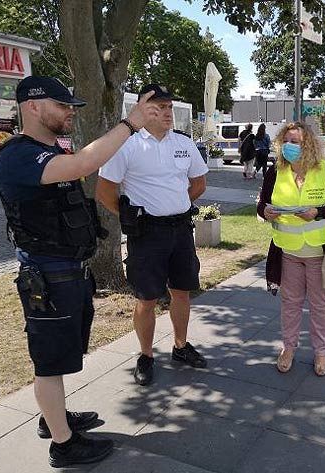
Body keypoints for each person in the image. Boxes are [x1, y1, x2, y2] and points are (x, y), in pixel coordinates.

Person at [0, 75, 159, 468]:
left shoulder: (51, 149)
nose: (70, 111)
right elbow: (85, 163)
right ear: (32, 106)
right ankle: (63, 446)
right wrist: (131, 123)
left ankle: (55, 421)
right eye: (62, 104)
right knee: (49, 362)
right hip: (47, 278)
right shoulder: (17, 155)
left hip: (69, 272)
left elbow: (77, 166)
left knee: (62, 355)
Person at [96, 84, 209, 387]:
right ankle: (146, 355)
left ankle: (181, 346)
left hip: (181, 230)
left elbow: (199, 183)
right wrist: (131, 218)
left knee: (182, 291)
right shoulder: (126, 145)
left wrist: (175, 203)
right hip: (147, 234)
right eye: (158, 107)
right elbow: (105, 191)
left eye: (169, 107)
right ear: (142, 110)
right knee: (146, 298)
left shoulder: (183, 143)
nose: (166, 113)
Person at [256, 121, 325, 377]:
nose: (289, 146)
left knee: (321, 305)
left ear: (307, 145)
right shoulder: (274, 172)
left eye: (295, 142)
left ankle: (321, 352)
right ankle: (288, 348)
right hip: (288, 252)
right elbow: (261, 206)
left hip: (320, 253)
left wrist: (318, 212)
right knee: (290, 303)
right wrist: (265, 211)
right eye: (285, 141)